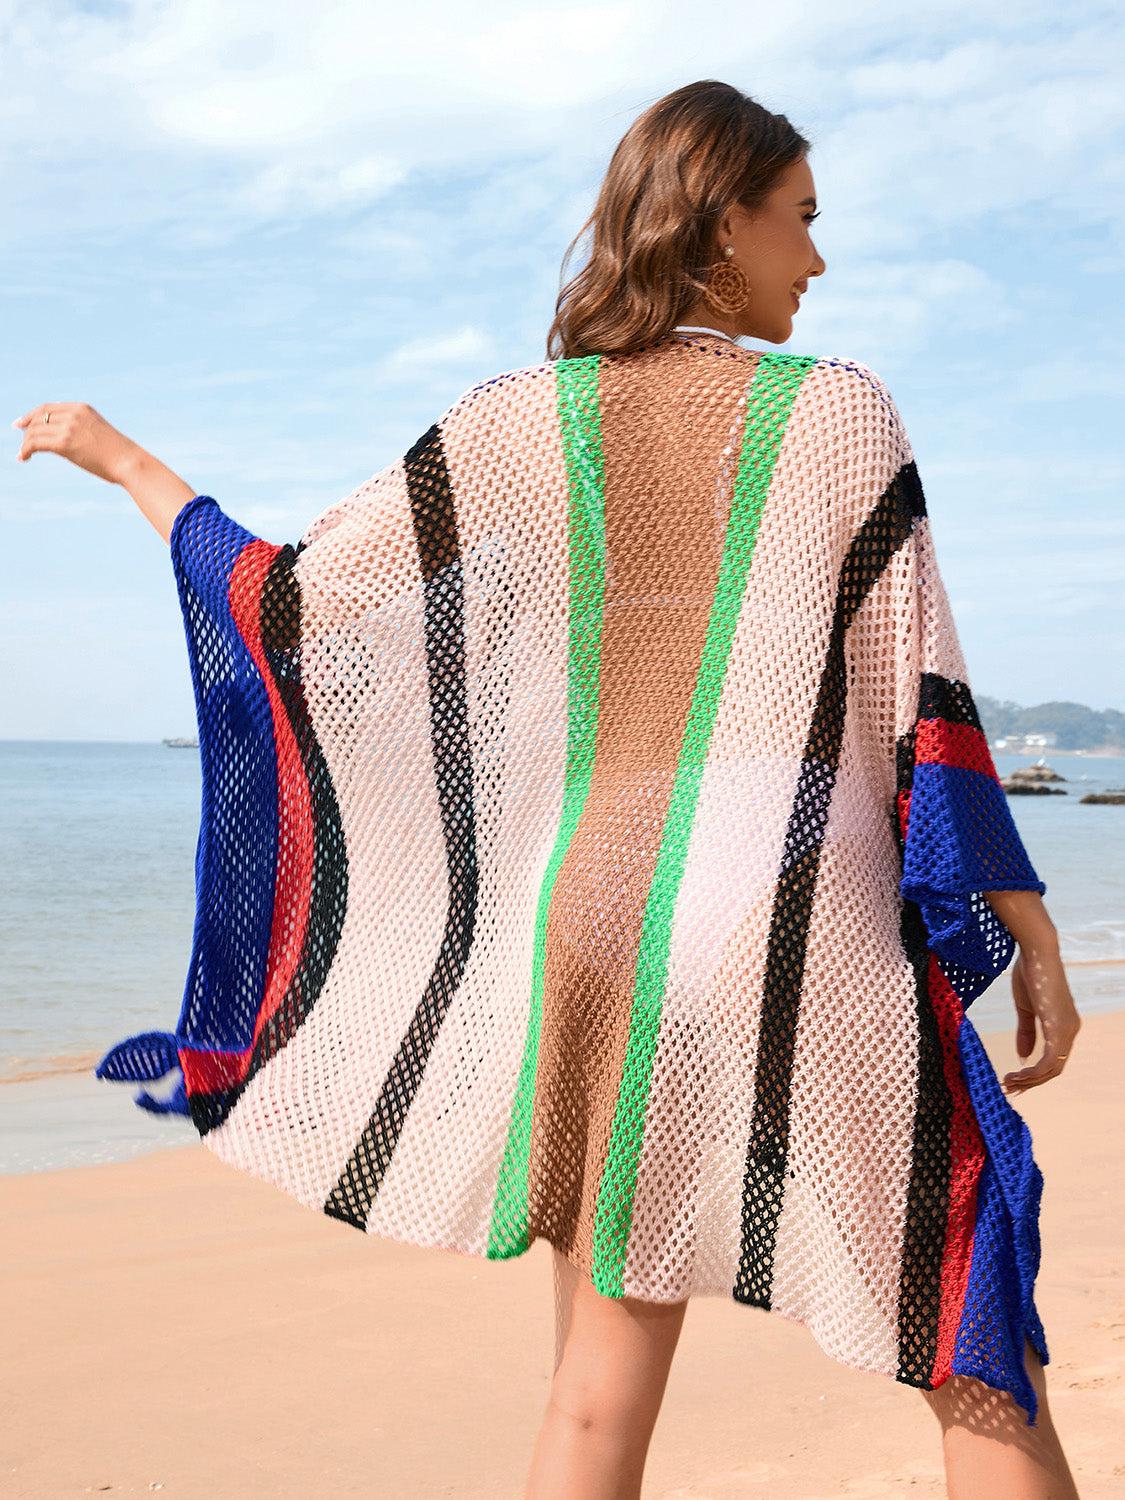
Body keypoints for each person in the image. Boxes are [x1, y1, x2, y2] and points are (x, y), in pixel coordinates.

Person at [14, 78, 1082, 1500]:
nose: (817, 261)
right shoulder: (834, 415)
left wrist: (122, 459)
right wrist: (1025, 924)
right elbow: (919, 706)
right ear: (719, 224)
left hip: (594, 932)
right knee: (966, 1338)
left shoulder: (518, 425)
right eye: (801, 222)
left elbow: (294, 614)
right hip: (784, 926)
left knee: (590, 1396)